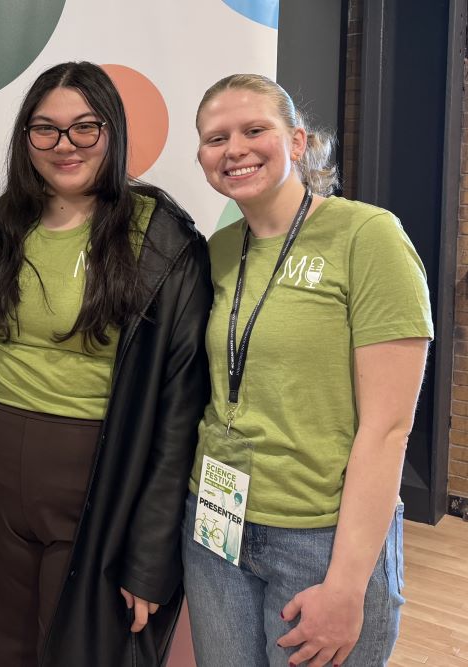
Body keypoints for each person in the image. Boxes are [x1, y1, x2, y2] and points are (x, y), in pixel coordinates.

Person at [0, 61, 212, 667]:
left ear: (112, 132)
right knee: (5, 646)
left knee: (83, 651)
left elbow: (179, 415)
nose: (64, 145)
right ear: (25, 139)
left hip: (98, 475)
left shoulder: (164, 243)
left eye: (84, 128)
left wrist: (150, 558)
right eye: (46, 130)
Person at [183, 73, 432, 667]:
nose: (234, 149)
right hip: (218, 524)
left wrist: (348, 586)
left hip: (321, 537)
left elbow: (388, 427)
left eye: (254, 130)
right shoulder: (219, 250)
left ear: (297, 142)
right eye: (216, 138)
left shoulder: (366, 236)